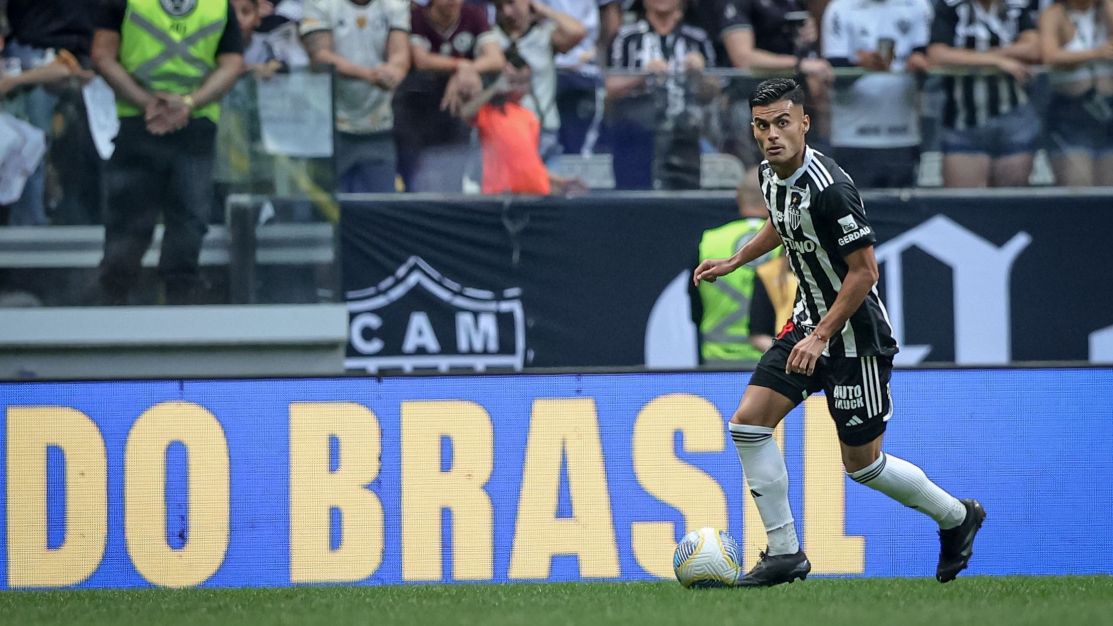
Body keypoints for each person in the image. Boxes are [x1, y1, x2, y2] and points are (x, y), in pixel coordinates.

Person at [693, 77, 985, 587]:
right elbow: (781, 222)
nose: (771, 135)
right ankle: (785, 553)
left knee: (863, 466)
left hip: (853, 339)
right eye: (762, 126)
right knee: (748, 424)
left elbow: (865, 273)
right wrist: (737, 260)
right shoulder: (768, 173)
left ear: (805, 122)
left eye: (783, 122)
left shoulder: (831, 188)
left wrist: (822, 336)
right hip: (808, 323)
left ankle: (957, 517)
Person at [92, 0, 245, 304]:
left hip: (173, 122)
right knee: (159, 221)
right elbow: (102, 56)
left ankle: (140, 303)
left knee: (179, 222)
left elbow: (232, 64)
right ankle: (123, 302)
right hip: (158, 122)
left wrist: (170, 104)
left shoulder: (217, 5)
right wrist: (176, 104)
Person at [927, 0, 1042, 187]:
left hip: (1013, 117)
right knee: (965, 206)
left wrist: (976, 57)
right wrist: (997, 61)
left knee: (1012, 204)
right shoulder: (951, 7)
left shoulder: (1015, 7)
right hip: (963, 120)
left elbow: (1034, 48)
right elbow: (937, 55)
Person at [300, 0, 410, 193]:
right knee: (328, 210)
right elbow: (320, 56)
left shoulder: (395, 4)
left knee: (380, 208)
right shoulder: (320, 3)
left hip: (378, 125)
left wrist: (394, 71)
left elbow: (400, 54)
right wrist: (368, 75)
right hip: (329, 130)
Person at [394, 0, 504, 192]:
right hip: (415, 114)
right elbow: (421, 60)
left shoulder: (474, 15)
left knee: (452, 182)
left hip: (454, 113)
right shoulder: (416, 17)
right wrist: (460, 66)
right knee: (416, 183)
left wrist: (467, 70)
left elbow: (496, 59)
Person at [605, 0, 717, 190]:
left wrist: (700, 73)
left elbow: (714, 91)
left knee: (686, 195)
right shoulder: (626, 37)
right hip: (635, 131)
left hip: (684, 131)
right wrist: (641, 75)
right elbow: (609, 87)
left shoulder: (697, 38)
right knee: (632, 194)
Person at [822, 0, 933, 188]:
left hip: (904, 135)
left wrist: (919, 65)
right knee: (854, 213)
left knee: (904, 214)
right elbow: (833, 76)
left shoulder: (918, 6)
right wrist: (860, 66)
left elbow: (929, 64)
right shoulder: (840, 8)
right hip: (853, 137)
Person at [458, 49, 588, 195]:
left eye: (524, 82)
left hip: (536, 193)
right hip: (502, 195)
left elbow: (531, 164)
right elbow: (466, 112)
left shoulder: (529, 117)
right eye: (514, 82)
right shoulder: (489, 112)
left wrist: (560, 181)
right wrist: (495, 89)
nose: (520, 88)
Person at [689, 168, 780, 365]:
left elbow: (694, 307)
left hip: (718, 363)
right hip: (777, 363)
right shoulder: (788, 242)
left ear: (739, 198)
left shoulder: (708, 241)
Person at [493, 0, 587, 166]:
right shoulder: (490, 39)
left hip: (543, 129)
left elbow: (578, 31)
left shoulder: (544, 35)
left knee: (548, 188)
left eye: (511, 3)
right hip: (504, 129)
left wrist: (543, 10)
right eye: (500, 6)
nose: (507, 12)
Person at [1038, 0, 1113, 186]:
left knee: (1108, 186)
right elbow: (1049, 55)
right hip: (1070, 112)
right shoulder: (1054, 14)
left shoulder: (1105, 12)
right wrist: (1096, 54)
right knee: (1079, 181)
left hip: (1108, 112)